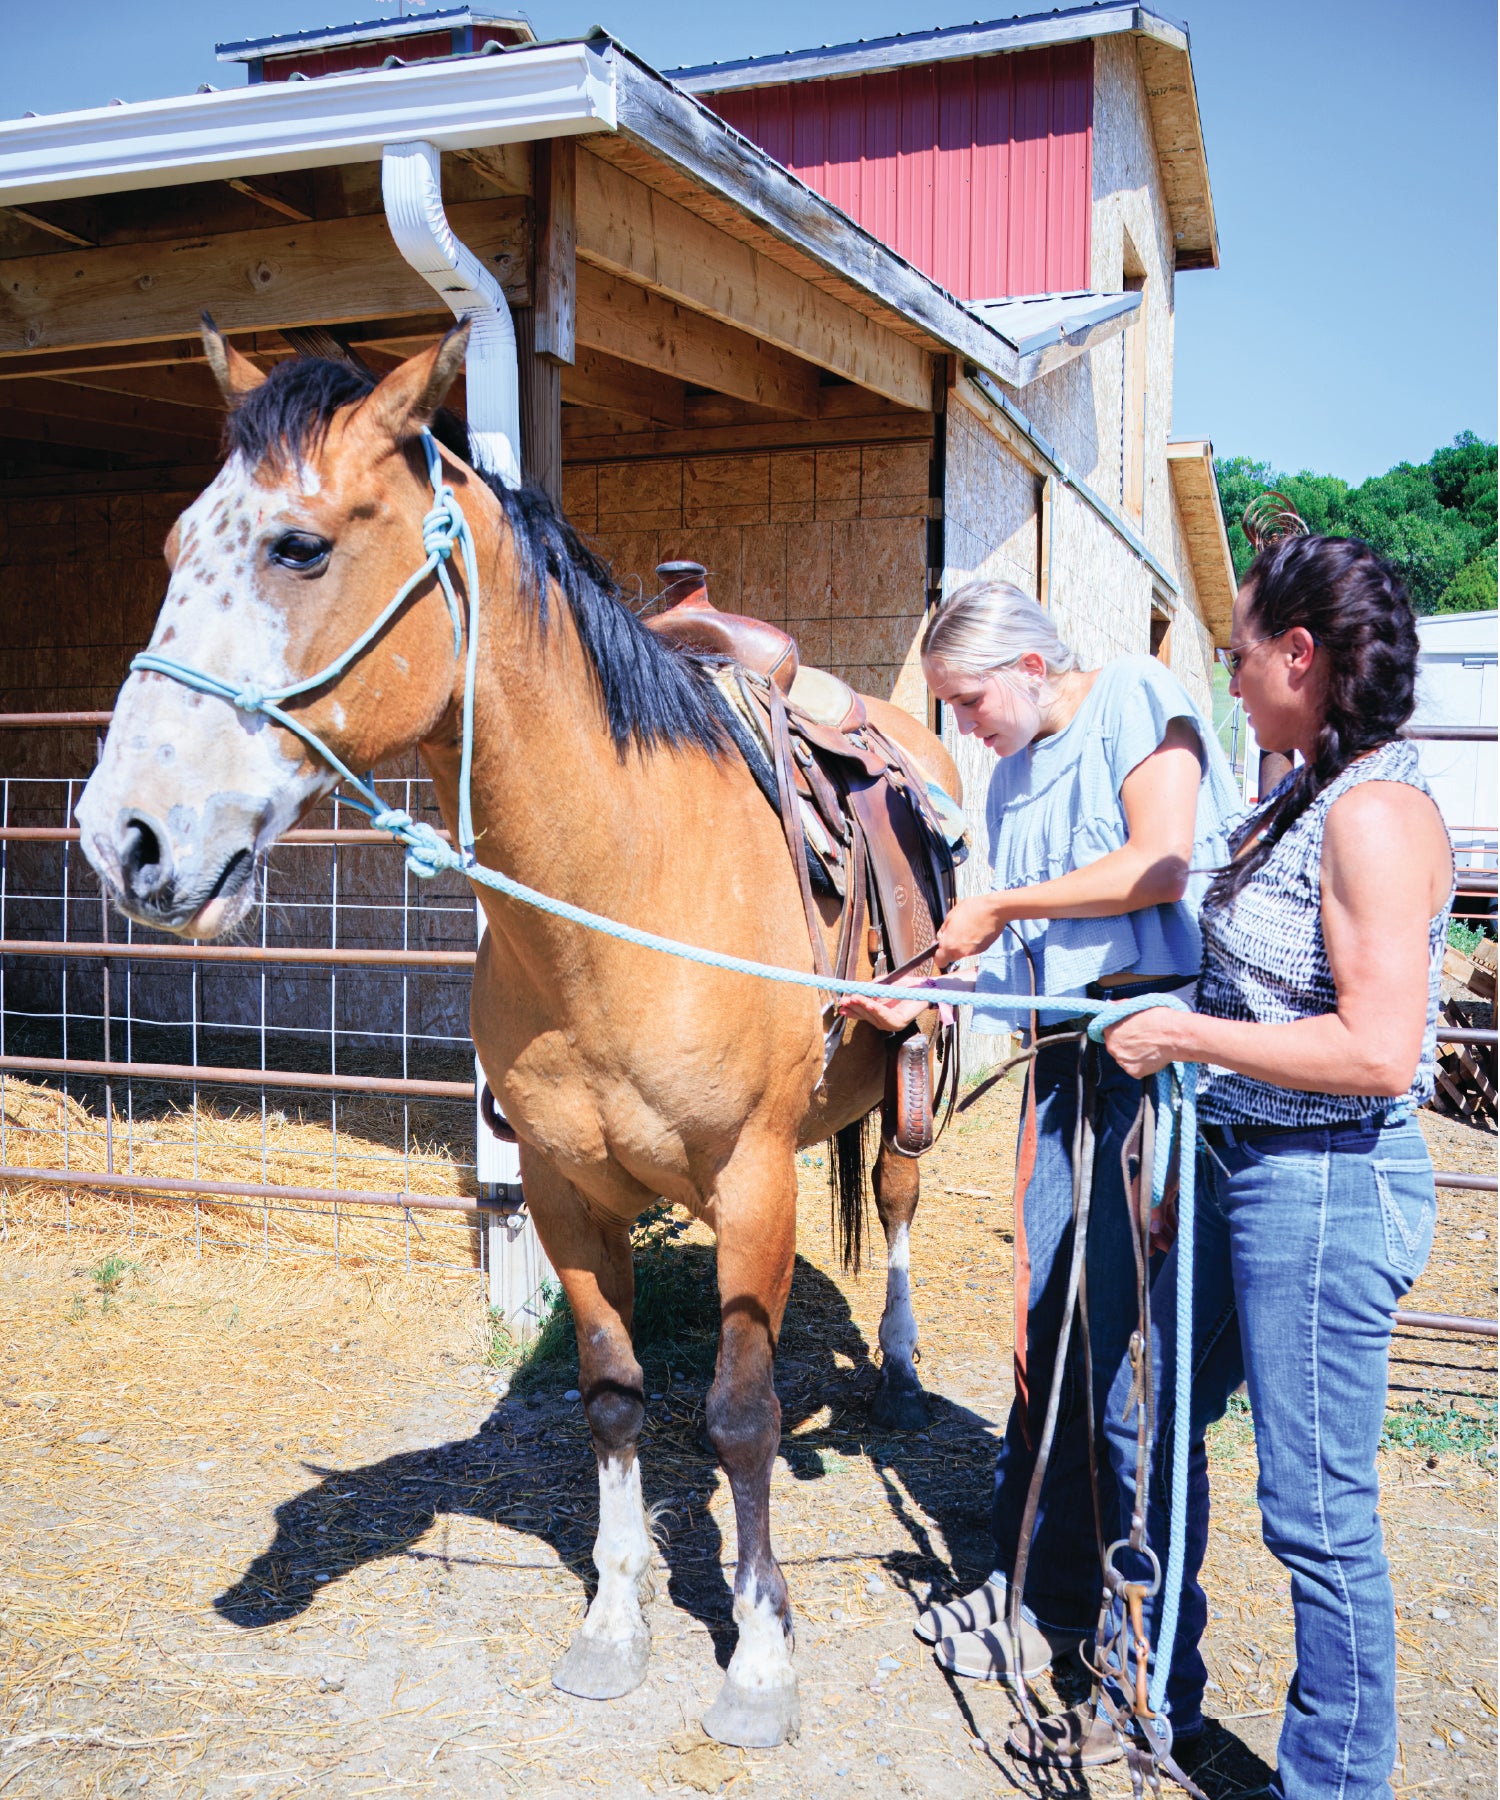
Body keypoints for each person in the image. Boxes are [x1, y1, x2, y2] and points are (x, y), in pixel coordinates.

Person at [838, 580, 1242, 1729]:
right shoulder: (1011, 778)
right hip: (1069, 1063)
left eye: (970, 701)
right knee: (1046, 1343)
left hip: (1151, 1057)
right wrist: (915, 1000)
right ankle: (1047, 1596)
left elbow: (1160, 865)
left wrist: (1002, 906)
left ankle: (1146, 1657)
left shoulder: (1135, 696)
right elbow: (1016, 976)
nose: (966, 727)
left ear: (1026, 664)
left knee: (1125, 1368)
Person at [1099, 535, 1452, 1797]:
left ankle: (1335, 1785)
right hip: (1242, 1165)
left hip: (1319, 1184)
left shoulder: (1372, 815)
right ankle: (1149, 1694)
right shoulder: (1303, 789)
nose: (1230, 680)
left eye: (1241, 656)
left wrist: (1185, 1036)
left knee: (1315, 1518)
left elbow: (1376, 1048)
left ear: (1302, 657)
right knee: (1148, 1421)